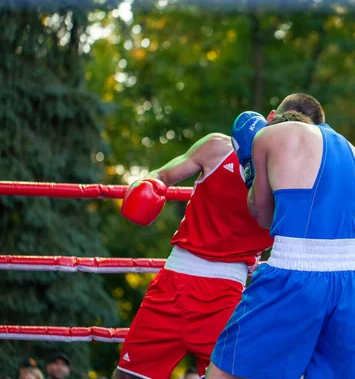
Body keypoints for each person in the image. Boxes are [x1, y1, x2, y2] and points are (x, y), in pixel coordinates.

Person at [207, 93, 355, 378]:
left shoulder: (269, 136)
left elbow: (262, 216)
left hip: (295, 277)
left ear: (274, 117)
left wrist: (250, 167)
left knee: (225, 373)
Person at [116, 133, 273, 379]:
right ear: (272, 117)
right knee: (129, 374)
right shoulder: (218, 148)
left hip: (225, 293)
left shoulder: (292, 181)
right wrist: (149, 184)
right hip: (173, 280)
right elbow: (162, 174)